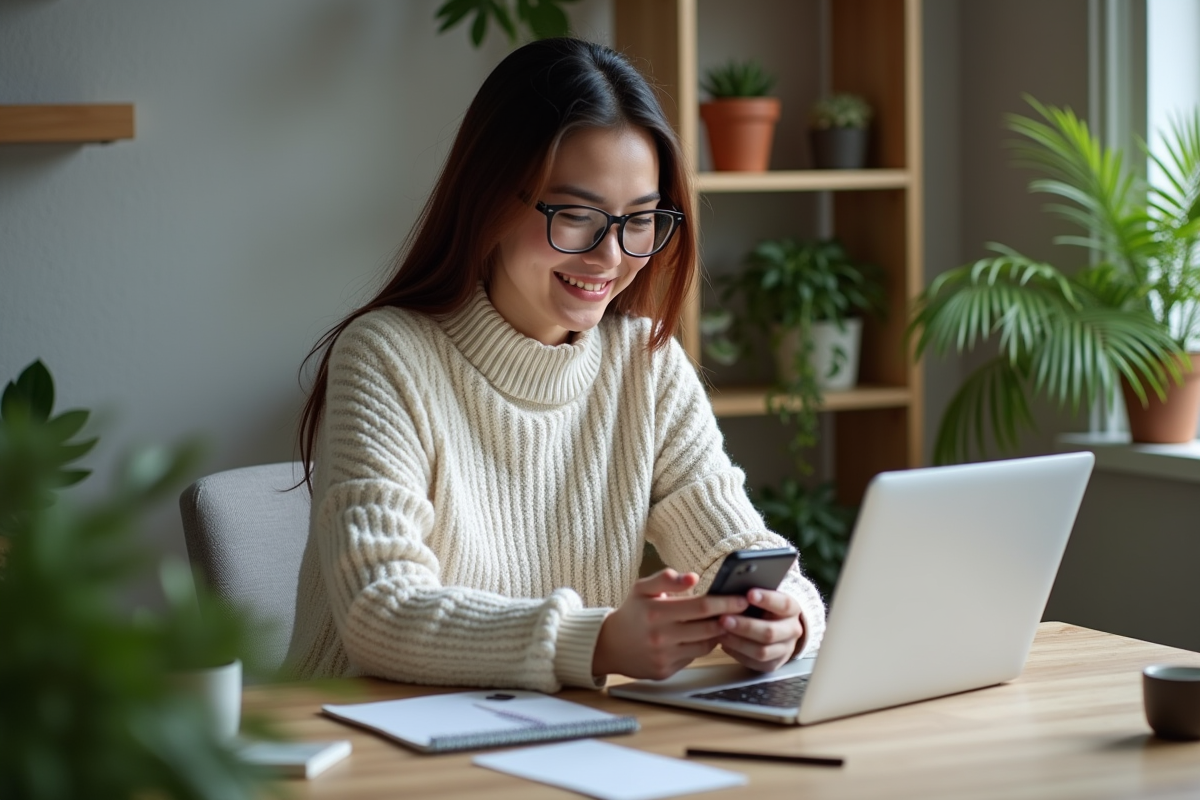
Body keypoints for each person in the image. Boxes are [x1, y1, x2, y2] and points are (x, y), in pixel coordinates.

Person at [286, 37, 826, 692]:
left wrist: (785, 619)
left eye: (640, 220)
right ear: (489, 198)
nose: (611, 257)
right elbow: (380, 611)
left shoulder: (645, 362)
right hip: (369, 744)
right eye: (576, 216)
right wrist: (593, 640)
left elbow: (739, 552)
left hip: (565, 739)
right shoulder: (388, 355)